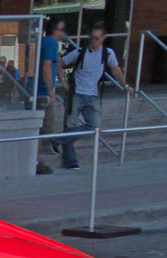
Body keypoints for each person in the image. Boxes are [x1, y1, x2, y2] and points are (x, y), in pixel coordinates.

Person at [58, 22, 132, 170]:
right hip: (76, 94)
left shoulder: (108, 53)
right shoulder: (80, 51)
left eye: (97, 38)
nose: (93, 41)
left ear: (103, 38)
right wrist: (64, 82)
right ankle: (71, 161)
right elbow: (60, 63)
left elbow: (116, 70)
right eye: (91, 38)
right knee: (70, 125)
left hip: (92, 95)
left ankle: (58, 139)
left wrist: (125, 85)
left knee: (94, 126)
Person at [34, 17, 66, 174]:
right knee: (43, 128)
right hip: (42, 92)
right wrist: (51, 91)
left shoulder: (39, 42)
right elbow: (47, 66)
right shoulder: (51, 43)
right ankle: (35, 162)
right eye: (62, 29)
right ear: (56, 30)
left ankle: (35, 160)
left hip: (34, 90)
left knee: (39, 127)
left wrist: (64, 82)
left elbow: (56, 65)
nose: (63, 33)